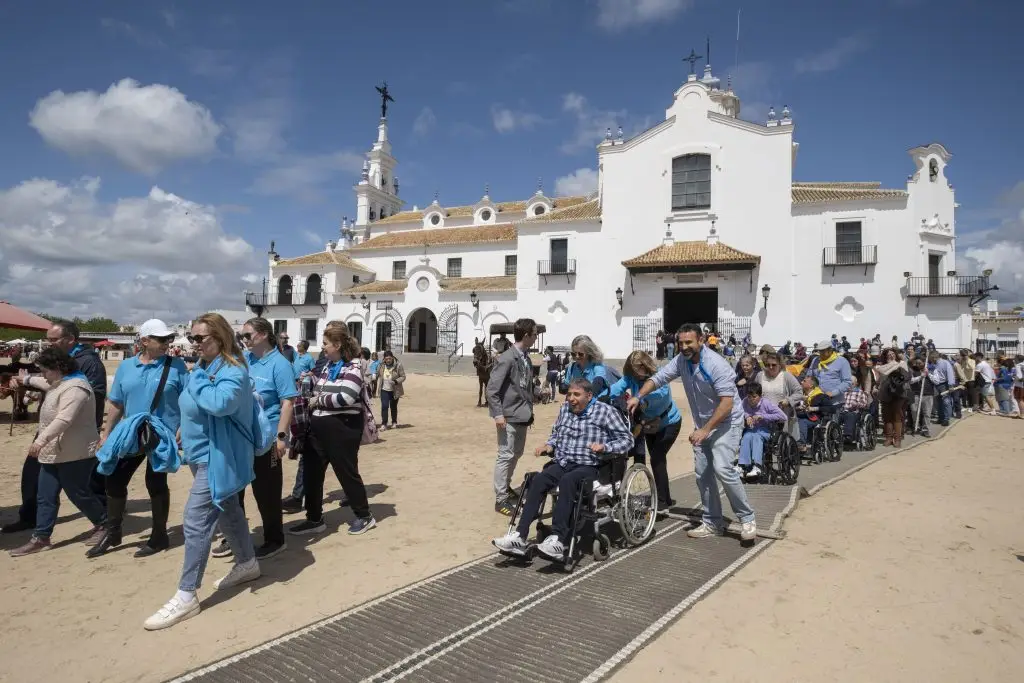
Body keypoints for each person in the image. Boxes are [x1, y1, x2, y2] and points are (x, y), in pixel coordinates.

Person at [144, 313, 260, 630]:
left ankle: (186, 596)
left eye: (201, 338)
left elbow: (220, 404)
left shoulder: (233, 370)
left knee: (195, 522)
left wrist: (194, 381)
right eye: (192, 337)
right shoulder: (206, 368)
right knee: (229, 510)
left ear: (220, 337)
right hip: (200, 454)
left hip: (219, 457)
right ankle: (248, 562)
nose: (194, 343)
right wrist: (184, 426)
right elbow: (195, 405)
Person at [629, 323, 757, 542]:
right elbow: (658, 378)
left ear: (701, 341)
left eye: (689, 342)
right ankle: (712, 522)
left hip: (727, 422)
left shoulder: (716, 365)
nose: (684, 346)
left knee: (723, 468)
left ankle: (747, 519)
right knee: (703, 474)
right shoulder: (681, 361)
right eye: (681, 342)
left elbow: (727, 404)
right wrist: (637, 397)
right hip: (704, 425)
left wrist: (706, 430)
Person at [492, 378, 633, 559]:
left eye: (576, 395)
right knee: (538, 479)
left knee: (569, 481)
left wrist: (605, 447)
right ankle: (519, 536)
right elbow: (557, 434)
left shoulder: (606, 412)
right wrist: (549, 446)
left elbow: (627, 440)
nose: (571, 399)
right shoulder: (565, 409)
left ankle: (558, 539)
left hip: (589, 465)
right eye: (569, 395)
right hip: (563, 461)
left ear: (589, 396)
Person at [89, 319, 188, 559]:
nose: (167, 343)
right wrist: (106, 433)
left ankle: (159, 536)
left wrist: (184, 427)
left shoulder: (177, 366)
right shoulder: (126, 367)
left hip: (163, 435)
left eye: (168, 339)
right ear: (144, 341)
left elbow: (188, 399)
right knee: (113, 477)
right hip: (132, 432)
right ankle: (113, 532)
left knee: (155, 483)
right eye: (161, 339)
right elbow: (116, 403)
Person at [8, 347, 108, 557]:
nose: (42, 374)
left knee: (79, 494)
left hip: (75, 452)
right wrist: (25, 380)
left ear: (59, 368)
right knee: (45, 495)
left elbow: (64, 419)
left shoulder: (76, 388)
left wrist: (41, 440)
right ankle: (41, 537)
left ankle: (105, 524)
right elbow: (43, 383)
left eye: (45, 370)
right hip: (54, 451)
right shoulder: (60, 383)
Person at [211, 318, 297, 561]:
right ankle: (235, 534)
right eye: (242, 336)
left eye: (247, 335)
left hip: (267, 436)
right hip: (241, 436)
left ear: (262, 335)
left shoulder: (280, 365)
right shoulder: (246, 361)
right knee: (235, 488)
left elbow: (287, 402)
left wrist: (281, 437)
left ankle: (274, 539)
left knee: (266, 491)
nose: (244, 340)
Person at [288, 325, 376, 537]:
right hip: (318, 429)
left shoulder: (353, 368)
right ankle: (314, 518)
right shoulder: (329, 366)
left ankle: (364, 516)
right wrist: (312, 383)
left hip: (342, 428)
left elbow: (345, 397)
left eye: (326, 343)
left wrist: (318, 400)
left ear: (337, 345)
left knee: (346, 473)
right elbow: (321, 390)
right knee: (312, 473)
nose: (323, 347)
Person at [608, 350, 682, 511]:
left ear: (646, 365)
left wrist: (642, 402)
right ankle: (665, 498)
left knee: (657, 457)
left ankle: (662, 501)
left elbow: (659, 395)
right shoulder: (631, 377)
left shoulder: (659, 377)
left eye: (638, 369)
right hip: (649, 425)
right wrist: (600, 398)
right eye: (633, 370)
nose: (636, 374)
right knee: (656, 459)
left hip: (669, 422)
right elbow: (616, 389)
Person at [486, 318, 539, 516]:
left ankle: (506, 487)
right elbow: (492, 389)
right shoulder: (507, 358)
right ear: (526, 335)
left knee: (516, 454)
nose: (535, 337)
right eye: (534, 334)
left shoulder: (524, 357)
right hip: (507, 416)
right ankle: (500, 499)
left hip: (522, 415)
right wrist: (498, 415)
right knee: (505, 455)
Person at [737, 382, 787, 480]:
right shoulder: (744, 402)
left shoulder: (766, 403)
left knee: (756, 436)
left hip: (767, 430)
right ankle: (743, 465)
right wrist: (746, 417)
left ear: (760, 396)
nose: (751, 399)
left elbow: (783, 416)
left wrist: (763, 416)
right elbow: (740, 412)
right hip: (751, 430)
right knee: (746, 436)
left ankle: (757, 466)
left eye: (754, 397)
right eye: (749, 396)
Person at [561, 335, 615, 400]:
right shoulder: (572, 367)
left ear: (589, 352)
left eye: (580, 354)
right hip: (578, 404)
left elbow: (598, 383)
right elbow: (568, 388)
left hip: (596, 402)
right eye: (574, 354)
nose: (577, 356)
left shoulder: (597, 366)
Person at [875, 348, 909, 447]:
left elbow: (906, 377)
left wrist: (895, 368)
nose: (891, 355)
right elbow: (879, 380)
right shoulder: (881, 367)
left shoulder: (901, 364)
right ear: (885, 356)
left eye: (893, 353)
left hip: (898, 393)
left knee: (897, 417)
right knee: (887, 417)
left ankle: (897, 439)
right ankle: (889, 438)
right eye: (888, 354)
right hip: (885, 393)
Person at [808, 339, 852, 411]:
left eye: (823, 351)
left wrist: (833, 393)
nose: (820, 353)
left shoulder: (842, 361)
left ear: (830, 350)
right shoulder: (815, 360)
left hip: (834, 402)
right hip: (816, 400)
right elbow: (809, 377)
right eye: (820, 351)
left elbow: (847, 382)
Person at [375, 350, 406, 429]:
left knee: (393, 406)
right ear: (384, 359)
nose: (388, 360)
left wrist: (396, 381)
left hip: (394, 390)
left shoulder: (398, 365)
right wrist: (373, 375)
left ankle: (394, 422)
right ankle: (384, 423)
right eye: (386, 359)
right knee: (384, 406)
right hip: (384, 389)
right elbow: (377, 373)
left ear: (392, 358)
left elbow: (403, 376)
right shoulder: (381, 365)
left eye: (390, 358)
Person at [926, 350, 956, 427]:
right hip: (936, 385)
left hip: (944, 384)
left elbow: (950, 373)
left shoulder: (945, 363)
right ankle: (940, 418)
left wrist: (951, 385)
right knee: (938, 403)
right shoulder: (933, 364)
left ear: (934, 357)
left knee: (946, 402)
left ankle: (946, 419)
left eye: (931, 358)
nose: (930, 359)